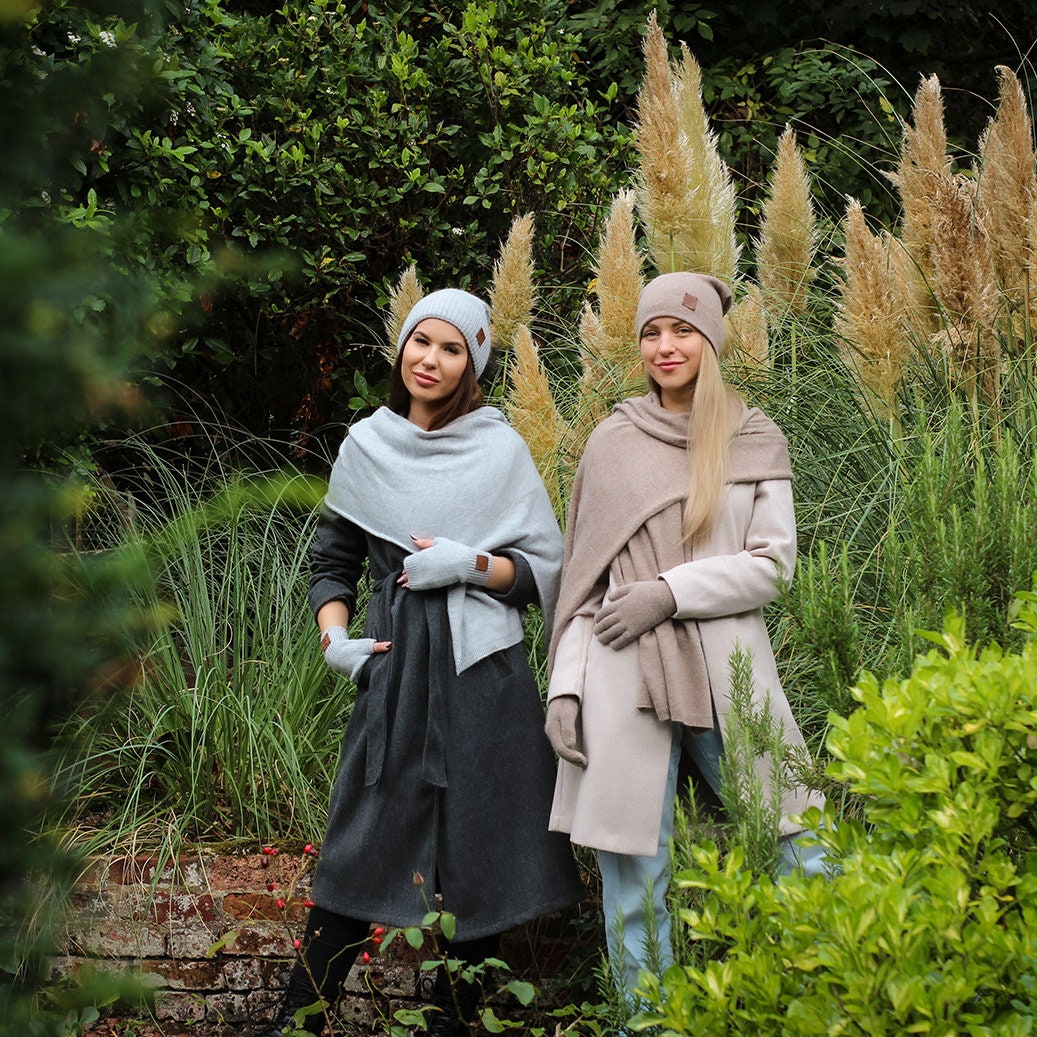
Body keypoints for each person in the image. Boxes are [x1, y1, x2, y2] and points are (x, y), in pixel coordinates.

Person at [260, 288, 583, 1037]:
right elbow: (330, 564)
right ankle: (294, 1025)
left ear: (472, 362)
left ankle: (449, 1026)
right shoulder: (366, 444)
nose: (429, 359)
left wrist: (471, 563)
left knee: (482, 856)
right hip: (395, 670)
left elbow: (541, 572)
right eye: (419, 342)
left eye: (450, 348)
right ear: (400, 348)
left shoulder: (499, 448)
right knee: (357, 849)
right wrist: (335, 642)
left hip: (485, 679)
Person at [544, 271, 827, 1006]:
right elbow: (580, 586)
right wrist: (565, 689)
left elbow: (771, 566)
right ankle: (647, 1022)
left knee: (799, 841)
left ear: (710, 340)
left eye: (680, 330)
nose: (664, 345)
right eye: (650, 332)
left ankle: (828, 1003)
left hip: (729, 669)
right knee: (634, 875)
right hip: (618, 671)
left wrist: (667, 593)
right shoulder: (610, 442)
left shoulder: (751, 436)